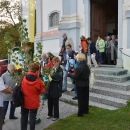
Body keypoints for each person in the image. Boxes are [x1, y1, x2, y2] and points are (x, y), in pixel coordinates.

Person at [21, 63, 45, 130]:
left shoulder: (23, 78)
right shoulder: (38, 81)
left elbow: (20, 88)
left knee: (24, 117)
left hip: (24, 102)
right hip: (34, 102)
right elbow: (42, 91)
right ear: (37, 70)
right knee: (32, 118)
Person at [47, 57, 63, 121]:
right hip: (50, 87)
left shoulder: (60, 69)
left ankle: (56, 115)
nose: (54, 63)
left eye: (55, 62)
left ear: (58, 62)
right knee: (49, 102)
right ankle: (50, 114)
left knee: (55, 103)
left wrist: (51, 76)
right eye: (53, 62)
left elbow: (58, 77)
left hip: (56, 87)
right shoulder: (52, 69)